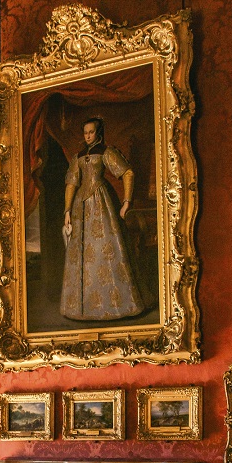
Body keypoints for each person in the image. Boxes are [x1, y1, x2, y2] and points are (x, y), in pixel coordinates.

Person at [60, 116, 145, 321]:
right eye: (85, 133)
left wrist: (126, 202)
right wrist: (67, 210)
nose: (88, 136)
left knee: (105, 250)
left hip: (102, 203)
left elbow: (128, 173)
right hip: (80, 207)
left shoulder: (106, 152)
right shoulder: (78, 157)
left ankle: (116, 305)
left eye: (91, 132)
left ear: (98, 133)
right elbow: (71, 183)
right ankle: (82, 309)